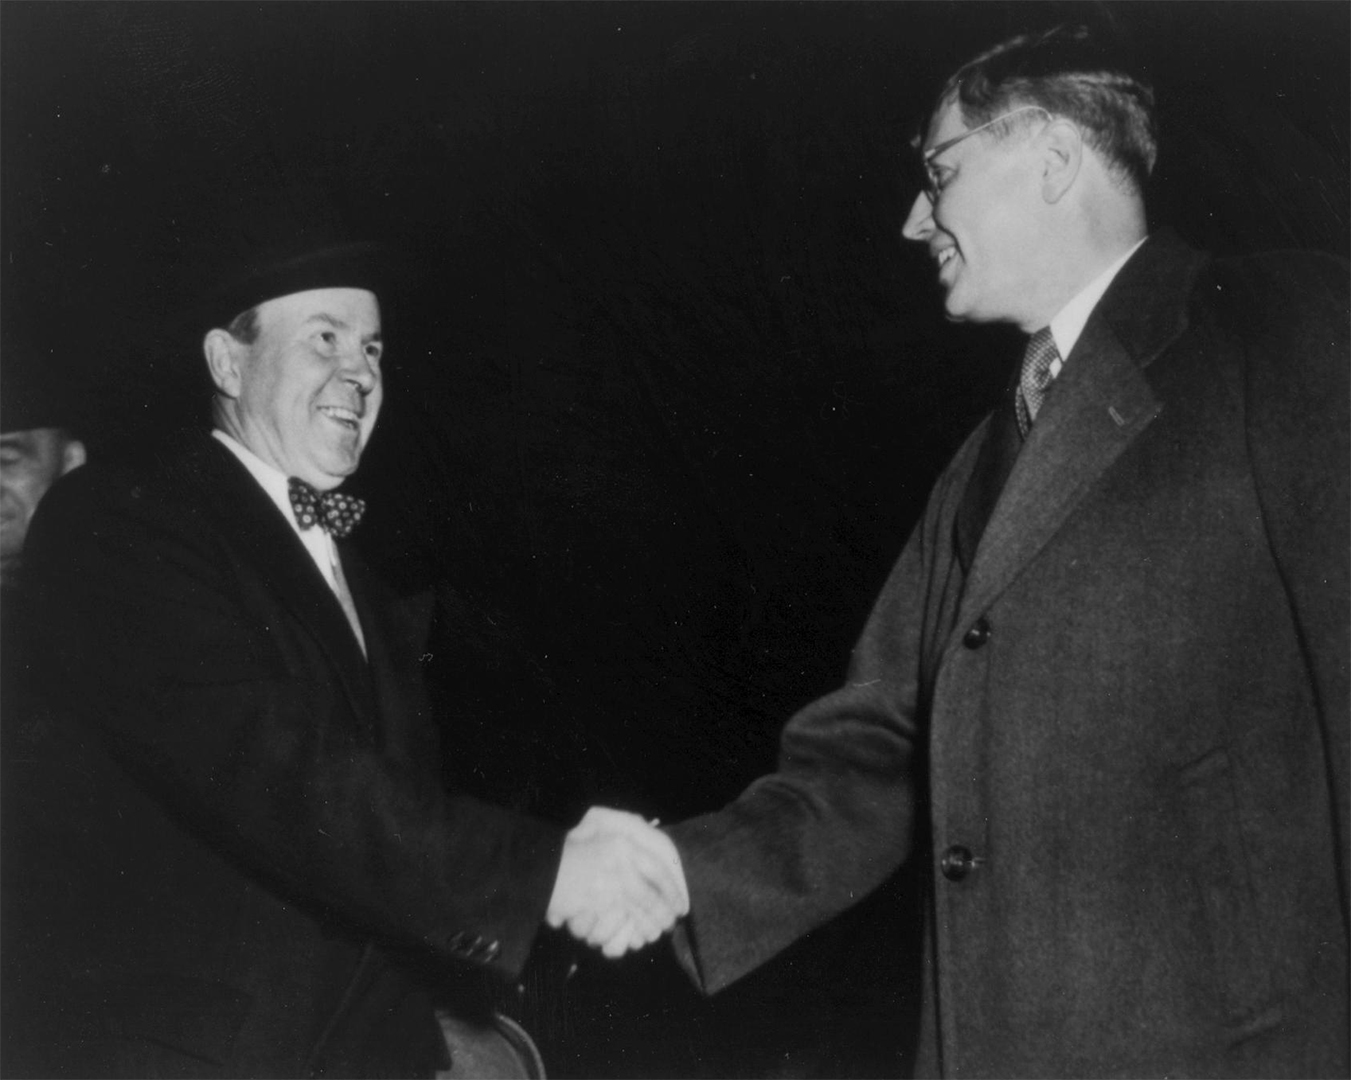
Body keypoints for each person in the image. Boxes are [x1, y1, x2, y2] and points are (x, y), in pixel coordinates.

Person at [561, 24, 1350, 1077]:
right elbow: (882, 746)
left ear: (1055, 159)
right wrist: (680, 872)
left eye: (937, 174)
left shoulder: (1276, 325)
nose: (909, 220)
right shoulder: (982, 462)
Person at [15, 240, 686, 1078]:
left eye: (372, 348)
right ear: (227, 360)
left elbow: (397, 813)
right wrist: (547, 873)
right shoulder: (122, 518)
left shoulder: (359, 575)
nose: (360, 372)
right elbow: (283, 772)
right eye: (324, 339)